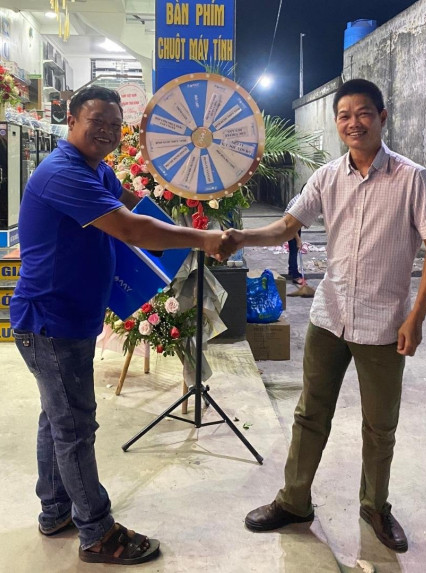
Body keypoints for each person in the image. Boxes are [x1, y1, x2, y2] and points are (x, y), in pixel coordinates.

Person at [10, 86, 235, 566]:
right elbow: (130, 228)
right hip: (51, 322)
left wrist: (185, 201)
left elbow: (133, 206)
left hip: (70, 319)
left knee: (57, 418)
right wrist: (203, 238)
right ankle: (97, 532)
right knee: (74, 426)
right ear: (72, 120)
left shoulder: (96, 169)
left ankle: (56, 510)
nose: (108, 132)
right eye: (98, 122)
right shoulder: (64, 172)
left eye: (115, 125)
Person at [225, 79, 426, 553]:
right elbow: (287, 225)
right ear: (337, 124)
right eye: (344, 116)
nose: (353, 123)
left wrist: (416, 317)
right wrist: (242, 237)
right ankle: (294, 501)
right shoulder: (327, 176)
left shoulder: (411, 177)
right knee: (310, 414)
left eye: (363, 113)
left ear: (382, 117)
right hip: (329, 317)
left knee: (380, 425)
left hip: (384, 324)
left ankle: (374, 506)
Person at [284, 186, 305, 285]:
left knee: (294, 250)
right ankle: (295, 276)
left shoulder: (300, 198)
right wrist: (298, 239)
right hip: (289, 225)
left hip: (292, 224)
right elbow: (292, 225)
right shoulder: (298, 203)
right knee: (294, 249)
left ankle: (292, 270)